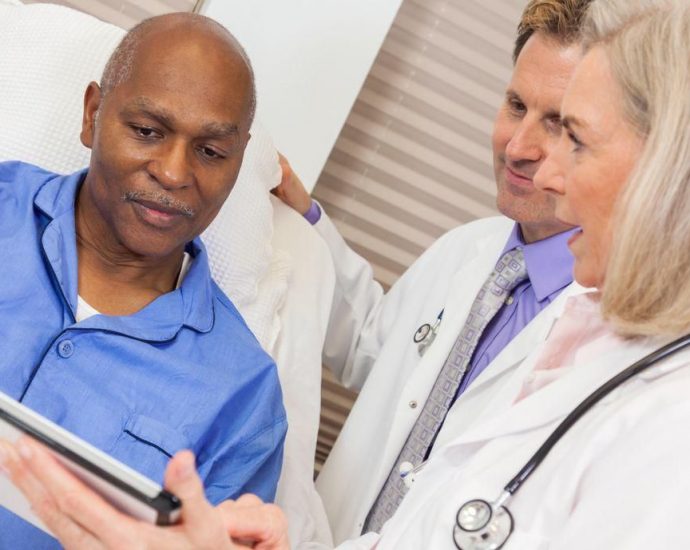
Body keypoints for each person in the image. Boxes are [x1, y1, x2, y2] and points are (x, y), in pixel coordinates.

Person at [275, 0, 592, 542]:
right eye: (516, 105)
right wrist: (302, 218)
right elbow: (373, 350)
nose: (518, 147)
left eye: (558, 125)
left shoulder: (599, 334)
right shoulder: (467, 249)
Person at [0, 13, 287, 549]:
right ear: (92, 114)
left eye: (210, 152)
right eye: (148, 132)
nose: (173, 173)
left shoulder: (244, 398)